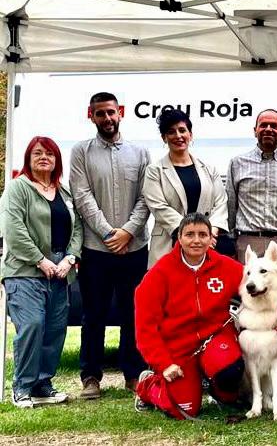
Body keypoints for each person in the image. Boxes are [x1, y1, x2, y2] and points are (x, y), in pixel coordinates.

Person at [70, 91, 150, 399]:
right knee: (94, 313)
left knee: (134, 312)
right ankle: (91, 376)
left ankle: (133, 374)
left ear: (122, 113)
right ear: (90, 115)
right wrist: (109, 234)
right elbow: (82, 197)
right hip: (97, 248)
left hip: (135, 247)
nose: (107, 118)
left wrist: (128, 232)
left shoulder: (140, 153)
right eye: (100, 113)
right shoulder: (81, 152)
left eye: (111, 112)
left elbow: (146, 198)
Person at [133, 213, 245, 419]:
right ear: (179, 238)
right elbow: (145, 327)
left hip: (215, 337)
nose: (196, 240)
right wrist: (164, 363)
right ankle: (148, 385)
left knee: (229, 370)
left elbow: (257, 284)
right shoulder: (160, 273)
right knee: (185, 409)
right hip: (179, 346)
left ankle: (222, 394)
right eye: (189, 234)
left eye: (203, 234)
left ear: (211, 238)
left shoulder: (227, 267)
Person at [1, 137, 83, 408]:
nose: (43, 157)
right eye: (37, 153)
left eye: (49, 153)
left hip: (61, 271)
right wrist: (40, 260)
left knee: (55, 329)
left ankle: (42, 385)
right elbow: (13, 230)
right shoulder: (18, 188)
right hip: (25, 271)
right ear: (29, 158)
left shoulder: (64, 191)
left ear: (57, 159)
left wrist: (70, 258)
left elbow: (78, 227)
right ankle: (22, 387)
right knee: (32, 326)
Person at [143, 109, 228, 267]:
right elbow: (159, 207)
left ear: (190, 134)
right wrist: (190, 235)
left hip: (206, 246)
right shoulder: (154, 171)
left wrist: (209, 234)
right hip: (168, 245)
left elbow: (221, 203)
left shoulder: (209, 169)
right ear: (164, 137)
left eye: (182, 130)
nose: (178, 136)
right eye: (171, 132)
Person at [227, 108, 277, 279]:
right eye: (263, 125)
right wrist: (230, 244)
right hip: (248, 244)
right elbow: (231, 206)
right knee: (248, 296)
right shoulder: (237, 163)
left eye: (274, 126)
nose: (268, 129)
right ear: (255, 131)